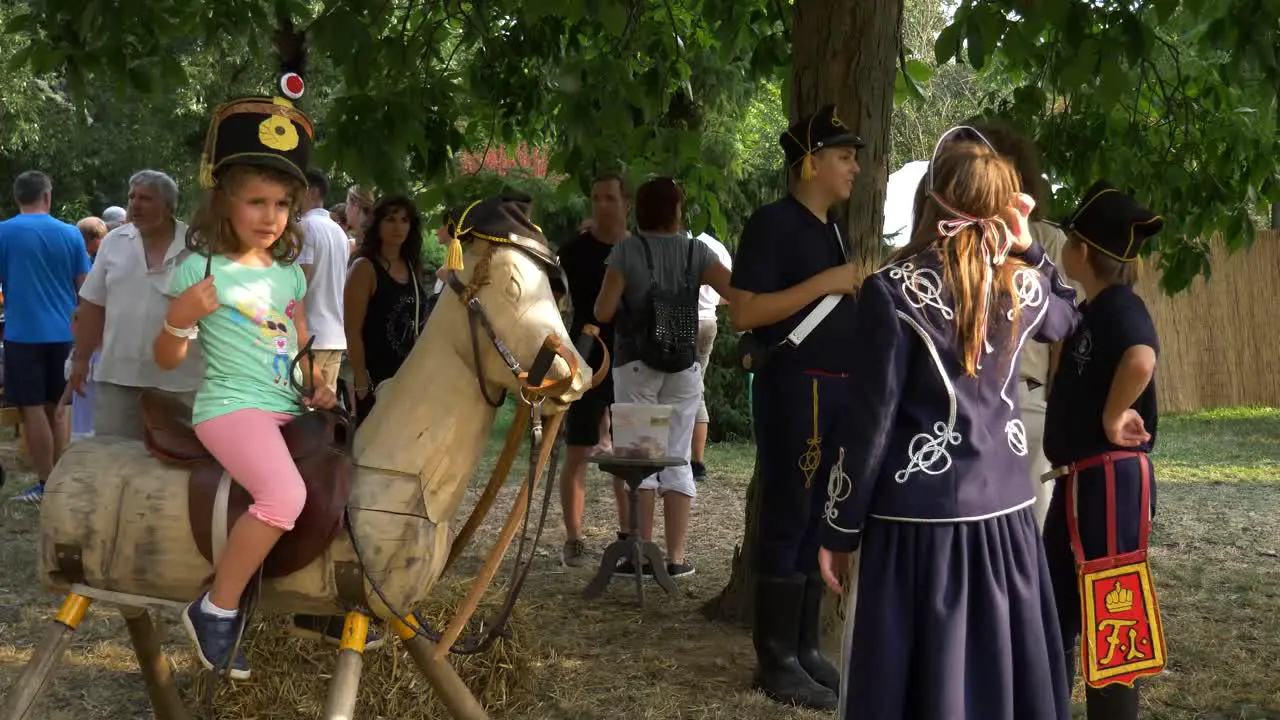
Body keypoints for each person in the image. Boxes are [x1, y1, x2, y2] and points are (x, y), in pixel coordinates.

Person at [817, 130, 1081, 719]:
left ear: (932, 198)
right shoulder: (1023, 283)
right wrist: (1031, 248)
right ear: (1003, 209)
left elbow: (869, 425)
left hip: (918, 527)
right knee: (996, 679)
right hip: (1008, 519)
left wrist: (838, 529)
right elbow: (1069, 313)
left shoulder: (892, 290)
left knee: (918, 687)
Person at [156, 85, 341, 677]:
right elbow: (165, 359)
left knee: (351, 472)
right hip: (232, 407)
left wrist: (318, 380)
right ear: (225, 205)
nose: (270, 217)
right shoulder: (197, 268)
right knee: (283, 496)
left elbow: (299, 344)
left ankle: (321, 596)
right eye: (257, 202)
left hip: (288, 404)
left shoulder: (289, 275)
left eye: (282, 204)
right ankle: (216, 606)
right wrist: (180, 318)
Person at [727, 104, 861, 710]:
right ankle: (775, 658)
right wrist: (826, 283)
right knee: (788, 514)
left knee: (815, 514)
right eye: (842, 156)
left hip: (835, 387)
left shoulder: (834, 227)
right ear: (810, 162)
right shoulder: (771, 224)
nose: (854, 167)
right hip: (794, 386)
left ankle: (805, 646)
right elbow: (746, 313)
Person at [1042, 181, 1165, 720]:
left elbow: (1141, 359)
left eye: (1067, 237)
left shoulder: (1120, 307)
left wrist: (1114, 416)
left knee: (1111, 615)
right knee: (1055, 607)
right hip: (1080, 482)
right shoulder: (1090, 306)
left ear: (1083, 251)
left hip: (1108, 486)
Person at [594, 177, 733, 579]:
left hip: (635, 363)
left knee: (641, 459)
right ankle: (674, 558)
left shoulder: (627, 250)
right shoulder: (697, 251)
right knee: (677, 459)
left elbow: (603, 311)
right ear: (678, 210)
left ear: (638, 209)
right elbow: (734, 289)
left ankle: (640, 554)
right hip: (683, 365)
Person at [961, 117, 1083, 528]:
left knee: (1030, 532)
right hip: (960, 402)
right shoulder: (951, 243)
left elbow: (1065, 331)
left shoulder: (1046, 240)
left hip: (1028, 400)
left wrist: (1055, 407)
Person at [71, 170, 202, 440]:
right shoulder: (113, 244)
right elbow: (93, 306)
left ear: (168, 206)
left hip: (182, 381)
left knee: (178, 464)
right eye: (132, 197)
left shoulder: (197, 246)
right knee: (114, 457)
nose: (135, 204)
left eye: (146, 198)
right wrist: (81, 359)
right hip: (119, 377)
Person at [0, 171, 92, 505]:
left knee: (32, 408)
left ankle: (45, 483)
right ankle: (62, 480)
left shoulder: (3, 233)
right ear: (48, 197)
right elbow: (86, 288)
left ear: (16, 197)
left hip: (22, 333)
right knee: (59, 407)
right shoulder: (70, 234)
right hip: (64, 333)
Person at [557, 172, 628, 568]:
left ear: (626, 203)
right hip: (584, 356)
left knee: (629, 455)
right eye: (596, 197)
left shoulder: (638, 250)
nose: (602, 205)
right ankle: (574, 538)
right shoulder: (571, 251)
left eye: (610, 198)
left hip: (631, 358)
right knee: (578, 451)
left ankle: (628, 537)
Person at [343, 195, 425, 421]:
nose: (398, 227)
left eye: (404, 220)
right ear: (377, 224)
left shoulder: (411, 266)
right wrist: (361, 381)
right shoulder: (364, 268)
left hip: (409, 378)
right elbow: (352, 330)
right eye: (390, 220)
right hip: (376, 380)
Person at [297, 169, 350, 393]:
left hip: (310, 336)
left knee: (304, 409)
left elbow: (301, 279)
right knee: (325, 412)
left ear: (310, 191)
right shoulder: (339, 232)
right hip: (335, 336)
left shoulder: (305, 226)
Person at [690, 230, 731, 482]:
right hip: (708, 322)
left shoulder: (677, 242)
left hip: (679, 323)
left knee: (671, 387)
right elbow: (731, 292)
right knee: (697, 388)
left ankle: (671, 457)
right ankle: (697, 462)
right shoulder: (717, 247)